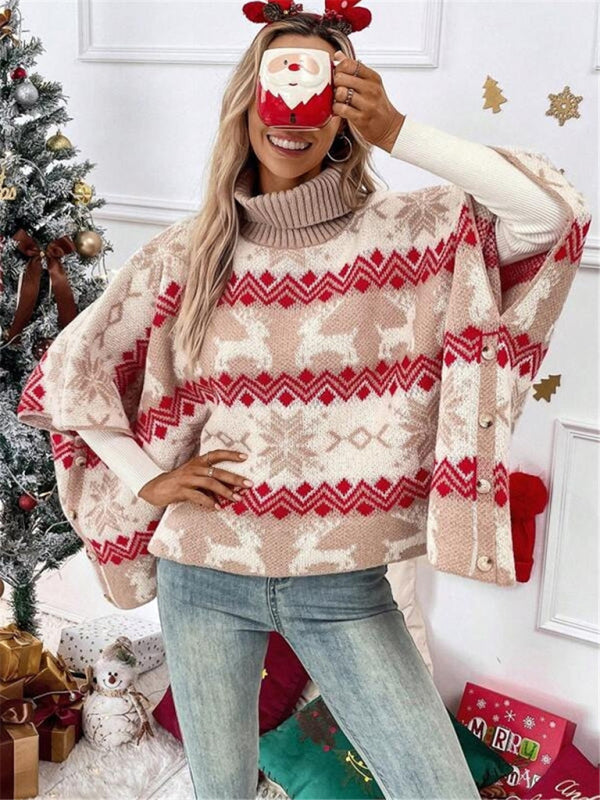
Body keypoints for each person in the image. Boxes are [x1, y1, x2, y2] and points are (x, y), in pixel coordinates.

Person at [25, 3, 578, 799]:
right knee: (220, 790)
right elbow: (70, 371)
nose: (292, 116)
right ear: (246, 101)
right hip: (202, 574)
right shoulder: (189, 253)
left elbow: (548, 217)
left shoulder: (410, 234)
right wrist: (149, 478)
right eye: (276, 88)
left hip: (342, 585)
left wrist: (399, 130)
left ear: (344, 113)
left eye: (318, 94)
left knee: (439, 789)